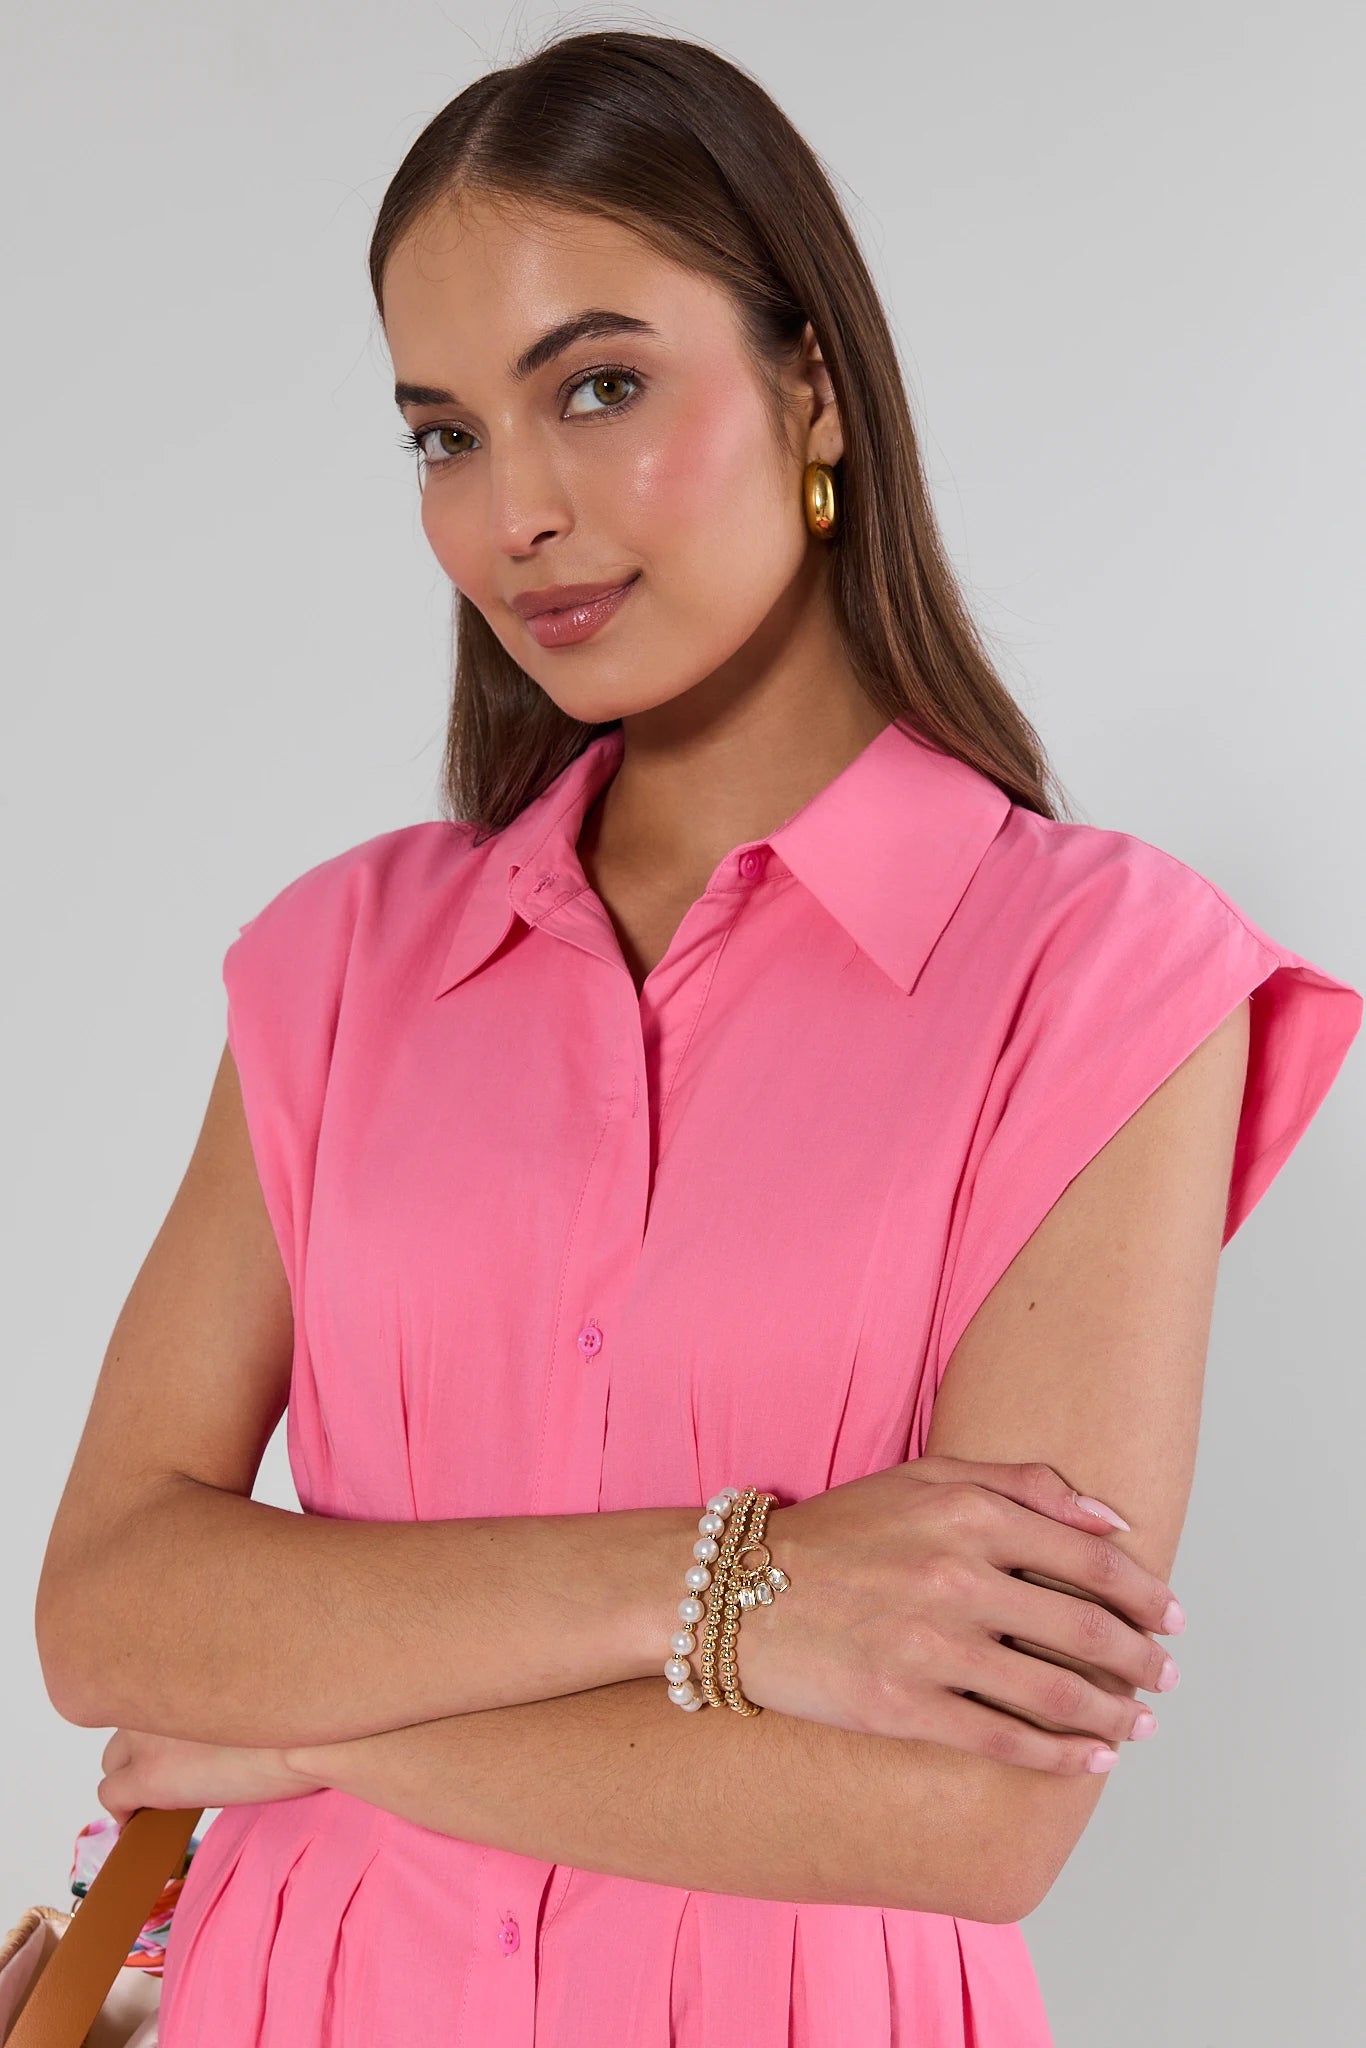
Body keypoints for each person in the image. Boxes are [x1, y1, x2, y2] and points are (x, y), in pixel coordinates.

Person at [34, 28, 1361, 2048]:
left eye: (597, 387)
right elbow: (111, 1609)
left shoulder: (1103, 978)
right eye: (443, 436)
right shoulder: (337, 965)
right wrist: (749, 1590)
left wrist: (304, 1726)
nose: (515, 513)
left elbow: (969, 1810)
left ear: (808, 382)